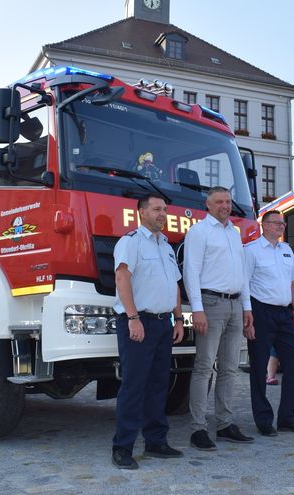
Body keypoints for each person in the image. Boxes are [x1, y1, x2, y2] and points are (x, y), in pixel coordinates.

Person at [111, 193, 185, 469]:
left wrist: (178, 319)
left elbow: (174, 285)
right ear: (141, 212)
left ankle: (156, 442)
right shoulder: (131, 242)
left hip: (163, 323)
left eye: (165, 209)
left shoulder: (166, 246)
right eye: (156, 209)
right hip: (138, 321)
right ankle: (122, 448)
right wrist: (132, 317)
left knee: (158, 385)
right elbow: (122, 277)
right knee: (134, 386)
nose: (162, 214)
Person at [184, 186, 254, 450]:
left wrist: (247, 308)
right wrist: (197, 309)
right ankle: (197, 429)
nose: (225, 205)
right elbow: (191, 271)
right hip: (210, 304)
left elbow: (242, 274)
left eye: (228, 201)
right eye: (219, 201)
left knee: (229, 369)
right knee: (203, 367)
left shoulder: (234, 234)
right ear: (208, 204)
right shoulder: (199, 232)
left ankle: (224, 423)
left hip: (236, 304)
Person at [244, 210, 294, 435]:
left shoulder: (287, 250)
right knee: (259, 366)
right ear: (265, 226)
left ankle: (287, 417)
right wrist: (248, 315)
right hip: (260, 312)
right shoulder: (251, 251)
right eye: (277, 223)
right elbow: (244, 284)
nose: (282, 227)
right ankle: (263, 420)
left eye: (283, 224)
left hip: (284, 314)